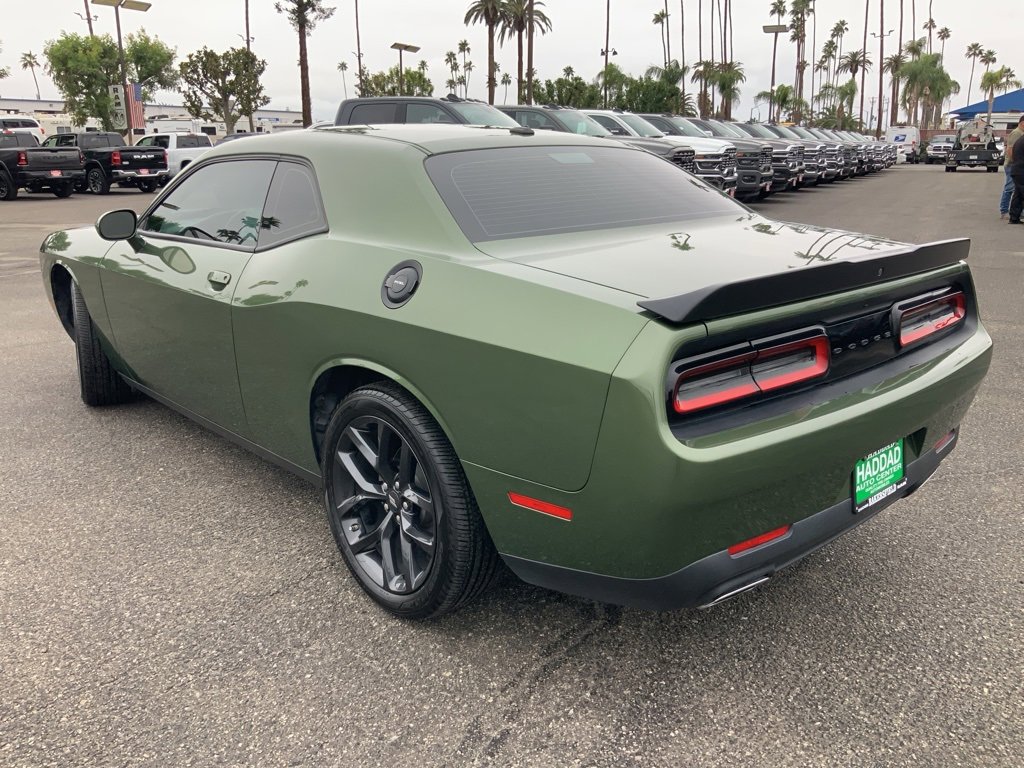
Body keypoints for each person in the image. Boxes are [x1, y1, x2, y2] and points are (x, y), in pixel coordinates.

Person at [1000, 115, 1024, 219]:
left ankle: (1017, 212)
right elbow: (1010, 150)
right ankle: (1004, 210)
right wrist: (1017, 162)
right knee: (1009, 188)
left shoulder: (1021, 133)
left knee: (1017, 190)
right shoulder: (1016, 133)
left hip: (1016, 165)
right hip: (1012, 165)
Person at [1008, 130, 1024, 224]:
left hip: (1017, 170)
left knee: (1018, 195)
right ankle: (1014, 217)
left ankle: (1014, 217)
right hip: (1021, 170)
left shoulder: (1020, 139)